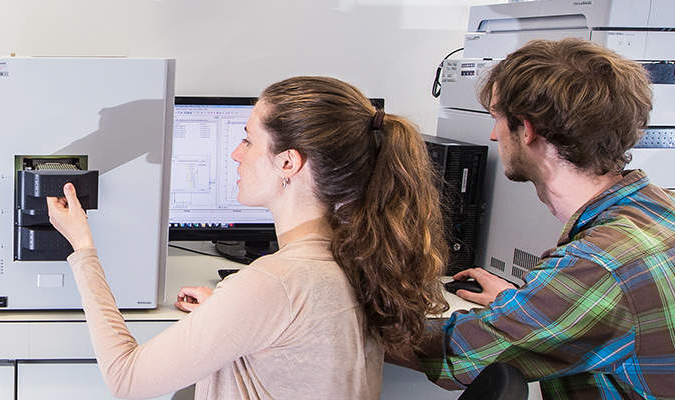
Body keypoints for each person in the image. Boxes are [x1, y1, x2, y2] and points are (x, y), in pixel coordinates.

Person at [404, 38, 675, 398]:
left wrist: (348, 324)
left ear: (526, 130)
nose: (494, 137)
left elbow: (461, 354)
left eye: (496, 120)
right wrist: (517, 305)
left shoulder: (599, 264)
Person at [44, 76, 450, 399]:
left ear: (288, 162)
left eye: (247, 139)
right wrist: (230, 311)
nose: (236, 154)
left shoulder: (271, 284)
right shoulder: (357, 258)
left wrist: (83, 249)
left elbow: (126, 379)